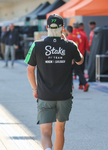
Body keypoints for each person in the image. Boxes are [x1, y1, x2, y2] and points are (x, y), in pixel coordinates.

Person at [25, 14, 83, 150]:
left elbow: (29, 70)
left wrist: (35, 89)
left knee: (45, 132)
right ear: (62, 28)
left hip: (44, 95)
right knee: (60, 130)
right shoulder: (70, 45)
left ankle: (48, 149)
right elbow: (80, 60)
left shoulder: (37, 45)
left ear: (47, 28)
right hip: (64, 95)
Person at [72, 22, 90, 91]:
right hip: (82, 54)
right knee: (80, 70)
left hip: (73, 56)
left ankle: (72, 85)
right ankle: (81, 84)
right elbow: (86, 45)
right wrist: (88, 51)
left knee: (71, 70)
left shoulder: (71, 35)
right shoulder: (83, 34)